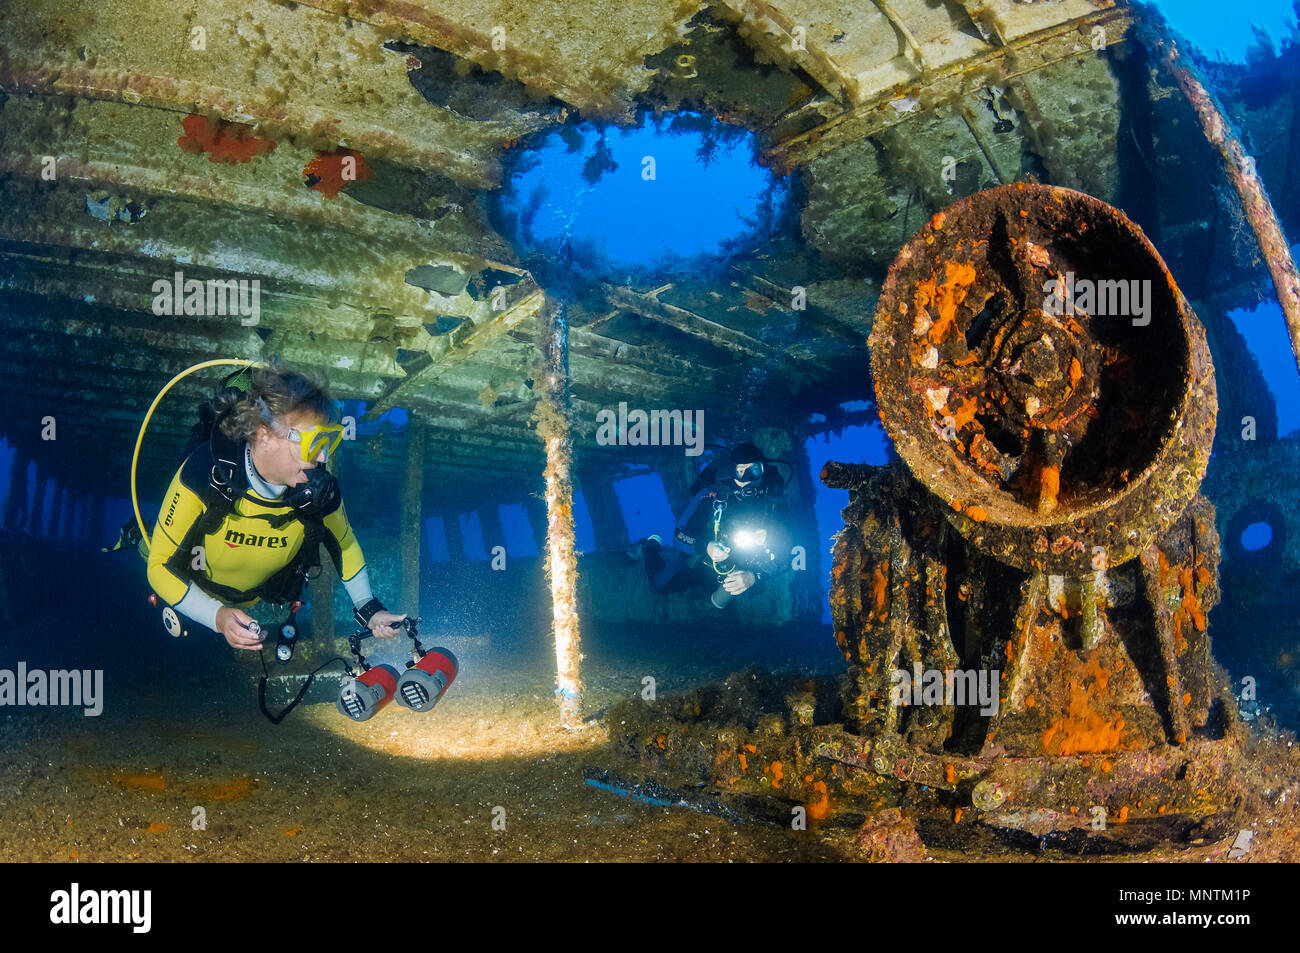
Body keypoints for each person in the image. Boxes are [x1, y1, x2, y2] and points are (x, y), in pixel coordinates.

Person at [146, 365, 407, 651]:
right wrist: (216, 617)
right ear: (265, 434)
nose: (322, 456)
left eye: (328, 441)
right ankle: (138, 533)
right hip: (199, 586)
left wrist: (370, 610)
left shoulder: (318, 492)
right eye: (313, 442)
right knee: (148, 546)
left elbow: (345, 544)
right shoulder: (203, 473)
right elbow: (158, 567)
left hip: (258, 596)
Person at [629, 442, 792, 608]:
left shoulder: (773, 503)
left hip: (737, 566)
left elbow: (790, 550)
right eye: (741, 471)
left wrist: (754, 576)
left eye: (754, 470)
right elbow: (678, 535)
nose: (747, 478)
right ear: (731, 471)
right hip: (699, 561)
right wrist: (706, 546)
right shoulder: (713, 494)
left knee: (722, 604)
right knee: (657, 586)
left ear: (763, 470)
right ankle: (651, 545)